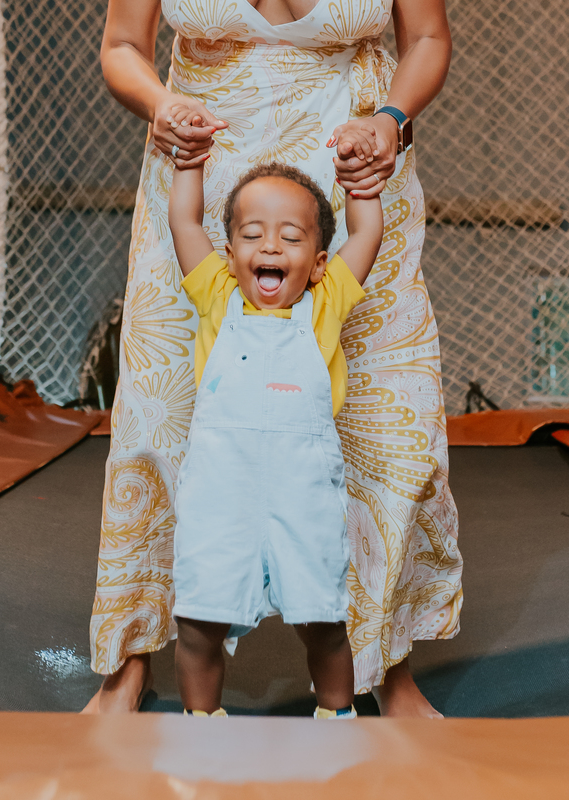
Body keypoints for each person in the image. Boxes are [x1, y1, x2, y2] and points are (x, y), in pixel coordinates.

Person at [87, 0, 462, 717]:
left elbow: (429, 38)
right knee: (157, 419)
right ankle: (129, 660)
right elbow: (122, 47)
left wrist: (390, 119)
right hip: (204, 164)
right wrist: (162, 105)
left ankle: (391, 668)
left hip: (354, 169)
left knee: (390, 424)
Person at [166, 108, 384, 717]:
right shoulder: (217, 295)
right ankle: (200, 722)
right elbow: (184, 218)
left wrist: (358, 173)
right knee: (199, 620)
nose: (270, 245)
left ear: (317, 262)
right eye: (253, 234)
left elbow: (365, 234)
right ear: (231, 253)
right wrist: (190, 160)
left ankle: (336, 714)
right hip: (221, 491)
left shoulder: (325, 302)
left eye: (291, 238)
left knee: (322, 619)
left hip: (302, 492)